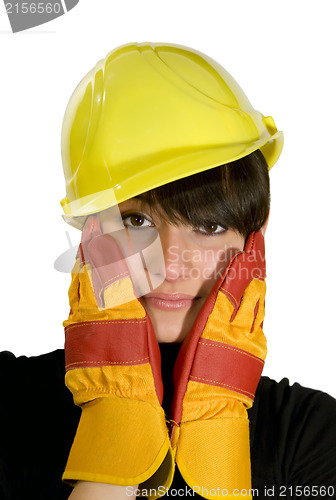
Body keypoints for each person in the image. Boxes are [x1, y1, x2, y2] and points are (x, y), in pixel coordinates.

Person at [0, 42, 335, 500]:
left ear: (253, 241)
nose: (170, 265)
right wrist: (116, 413)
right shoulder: (7, 404)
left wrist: (216, 422)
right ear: (90, 236)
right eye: (138, 220)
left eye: (209, 225)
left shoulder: (312, 431)